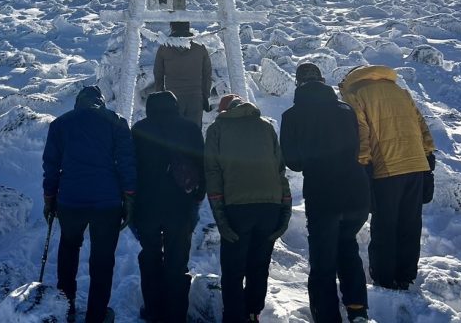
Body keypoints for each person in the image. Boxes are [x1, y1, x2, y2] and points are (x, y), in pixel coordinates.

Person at [280, 63, 370, 323]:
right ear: (322, 80)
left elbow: (293, 162)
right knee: (347, 246)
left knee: (323, 259)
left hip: (322, 194)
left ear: (298, 84)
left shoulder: (292, 116)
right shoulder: (345, 110)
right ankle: (357, 310)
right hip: (356, 191)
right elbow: (356, 146)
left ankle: (327, 315)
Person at [42, 85, 136, 323]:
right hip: (107, 203)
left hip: (70, 201)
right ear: (101, 102)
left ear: (78, 102)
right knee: (103, 259)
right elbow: (126, 163)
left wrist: (49, 199)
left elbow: (51, 166)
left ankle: (66, 307)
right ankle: (97, 315)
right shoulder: (116, 122)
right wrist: (129, 198)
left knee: (68, 251)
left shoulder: (61, 124)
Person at [339, 65, 435, 291]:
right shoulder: (400, 91)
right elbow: (422, 127)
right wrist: (428, 157)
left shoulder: (356, 95)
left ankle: (384, 278)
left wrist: (363, 165)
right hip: (417, 166)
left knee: (385, 225)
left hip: (387, 169)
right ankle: (406, 275)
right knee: (410, 224)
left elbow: (361, 135)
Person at [205, 94, 291, 323]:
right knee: (259, 265)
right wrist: (285, 208)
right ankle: (253, 313)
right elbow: (279, 170)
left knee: (233, 270)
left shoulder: (217, 129)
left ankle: (233, 317)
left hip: (237, 208)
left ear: (224, 111)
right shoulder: (266, 127)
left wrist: (219, 214)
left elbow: (212, 173)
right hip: (270, 207)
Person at [131, 91, 205, 322]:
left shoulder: (140, 129)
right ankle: (176, 314)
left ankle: (153, 311)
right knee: (177, 260)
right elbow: (202, 163)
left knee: (150, 256)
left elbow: (130, 166)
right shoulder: (189, 128)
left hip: (147, 207)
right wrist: (197, 196)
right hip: (180, 206)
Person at [154, 21, 212, 128]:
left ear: (172, 27)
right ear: (188, 27)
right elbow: (207, 74)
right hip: (195, 97)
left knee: (174, 134)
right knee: (194, 135)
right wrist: (205, 96)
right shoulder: (200, 46)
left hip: (172, 97)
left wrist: (160, 96)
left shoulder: (165, 47)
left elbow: (158, 74)